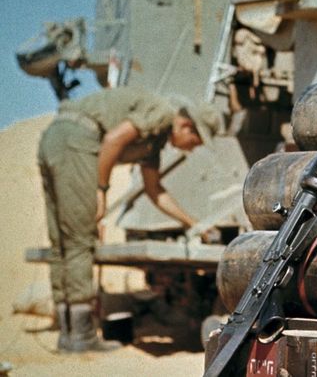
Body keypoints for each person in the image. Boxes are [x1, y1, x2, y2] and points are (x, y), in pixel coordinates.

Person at [37, 86, 222, 352]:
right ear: (185, 125)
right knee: (80, 242)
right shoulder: (163, 113)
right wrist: (101, 191)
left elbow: (154, 190)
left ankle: (68, 334)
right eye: (196, 141)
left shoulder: (155, 141)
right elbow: (113, 140)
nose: (192, 149)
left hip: (55, 138)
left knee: (62, 244)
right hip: (76, 142)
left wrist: (194, 224)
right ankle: (82, 336)